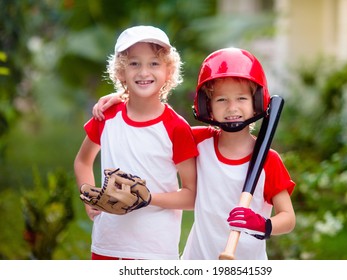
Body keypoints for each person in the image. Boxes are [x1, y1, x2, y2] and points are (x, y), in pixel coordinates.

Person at [92, 47, 295, 260]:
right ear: (207, 106)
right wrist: (124, 96)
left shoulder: (268, 160)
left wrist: (264, 224)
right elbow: (162, 122)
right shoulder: (199, 141)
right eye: (221, 100)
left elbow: (288, 218)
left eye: (241, 99)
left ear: (255, 103)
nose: (232, 107)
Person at [74, 25, 198, 260]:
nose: (144, 72)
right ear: (120, 72)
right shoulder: (107, 116)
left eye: (154, 63)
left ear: (168, 71)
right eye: (134, 63)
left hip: (154, 251)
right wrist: (88, 198)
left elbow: (191, 196)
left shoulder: (176, 127)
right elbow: (82, 161)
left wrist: (146, 198)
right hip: (106, 245)